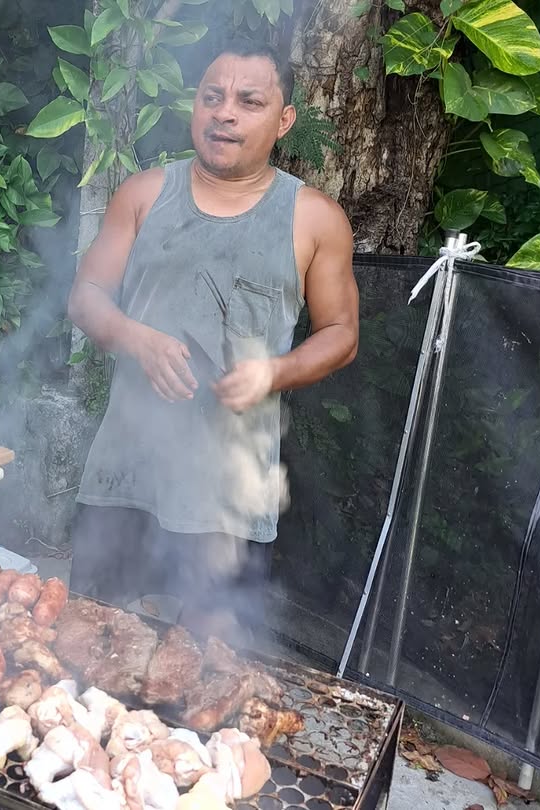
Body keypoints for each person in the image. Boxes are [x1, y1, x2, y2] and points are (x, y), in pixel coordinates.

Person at [67, 39, 359, 646]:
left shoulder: (313, 218)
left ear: (284, 121)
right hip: (127, 471)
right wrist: (135, 337)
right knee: (90, 646)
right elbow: (87, 294)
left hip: (228, 493)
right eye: (212, 97)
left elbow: (341, 335)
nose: (225, 113)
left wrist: (272, 373)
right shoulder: (144, 194)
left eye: (249, 101)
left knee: (209, 664)